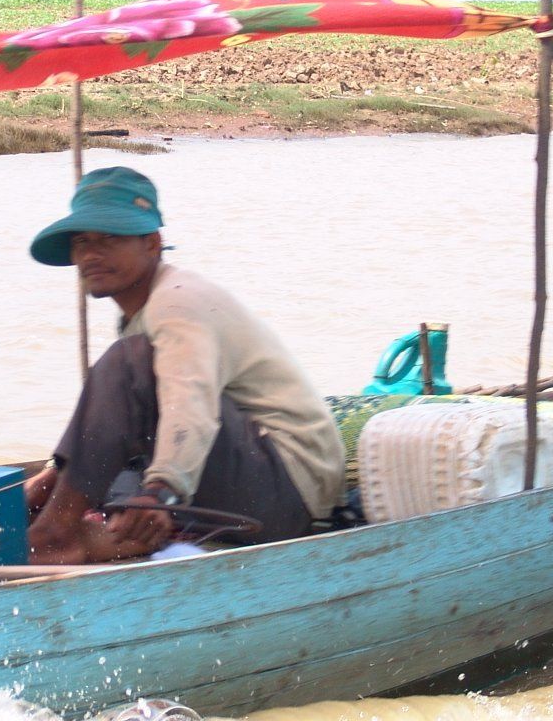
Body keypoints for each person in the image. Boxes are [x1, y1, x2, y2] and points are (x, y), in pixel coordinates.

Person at [24, 167, 344, 564]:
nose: (91, 254)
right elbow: (122, 422)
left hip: (287, 492)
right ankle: (95, 533)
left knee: (129, 363)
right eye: (82, 241)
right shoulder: (144, 312)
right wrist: (52, 477)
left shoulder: (175, 303)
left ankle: (57, 536)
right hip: (238, 474)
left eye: (111, 238)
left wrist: (160, 491)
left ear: (153, 244)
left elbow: (189, 403)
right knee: (53, 492)